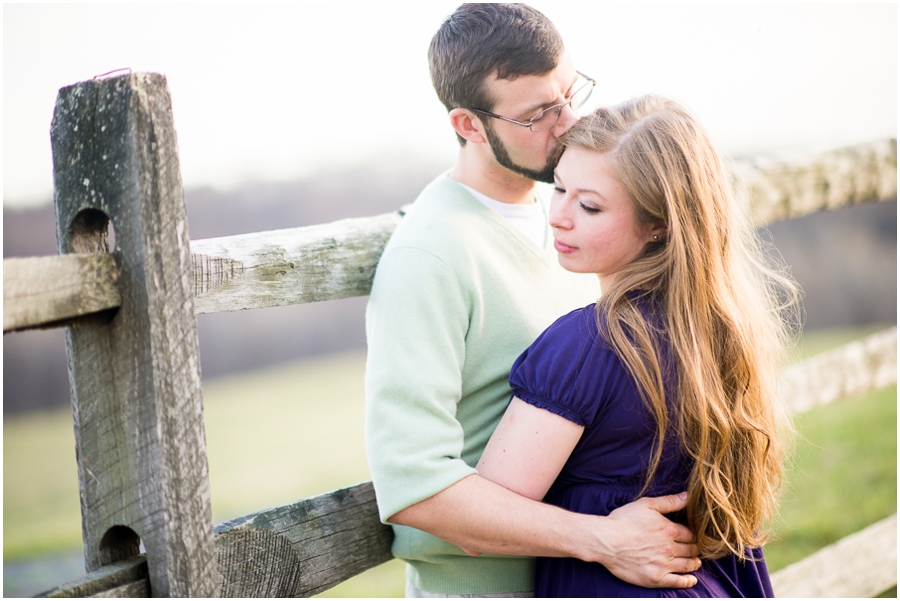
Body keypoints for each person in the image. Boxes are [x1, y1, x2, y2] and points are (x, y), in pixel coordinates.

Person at [365, 4, 701, 598]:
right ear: (469, 125)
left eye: (570, 93)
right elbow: (416, 487)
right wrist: (600, 538)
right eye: (539, 113)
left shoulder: (573, 217)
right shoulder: (432, 255)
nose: (570, 121)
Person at [476, 95, 801, 597]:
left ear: (659, 225)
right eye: (558, 188)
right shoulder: (719, 331)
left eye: (589, 205)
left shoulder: (587, 344)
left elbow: (483, 519)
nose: (559, 216)